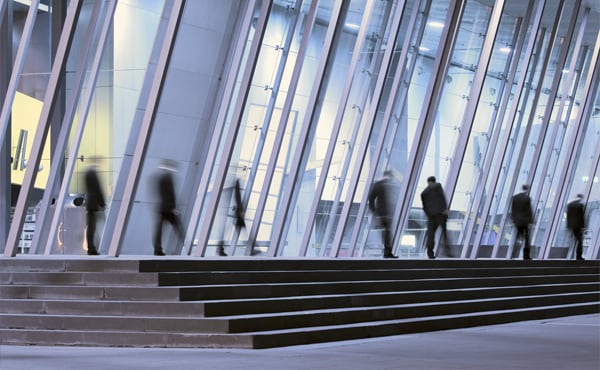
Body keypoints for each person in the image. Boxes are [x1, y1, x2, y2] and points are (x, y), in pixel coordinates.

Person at [153, 160, 185, 256]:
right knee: (179, 228)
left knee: (160, 230)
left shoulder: (162, 177)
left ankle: (157, 250)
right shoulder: (167, 178)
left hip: (164, 208)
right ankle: (188, 247)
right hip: (168, 209)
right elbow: (169, 194)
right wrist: (173, 208)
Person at [368, 170, 398, 258]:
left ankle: (387, 251)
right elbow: (371, 198)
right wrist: (373, 210)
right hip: (384, 213)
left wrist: (373, 210)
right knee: (387, 232)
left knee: (386, 232)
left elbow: (371, 198)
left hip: (383, 213)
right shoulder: (383, 184)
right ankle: (387, 252)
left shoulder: (379, 184)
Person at [421, 176, 452, 259]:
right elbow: (442, 198)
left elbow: (424, 206)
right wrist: (445, 209)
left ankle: (430, 253)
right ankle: (447, 251)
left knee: (431, 234)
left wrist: (428, 214)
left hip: (431, 215)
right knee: (444, 232)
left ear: (428, 182)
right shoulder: (438, 186)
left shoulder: (424, 192)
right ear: (434, 181)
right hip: (440, 213)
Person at [218, 178, 246, 257]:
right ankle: (251, 246)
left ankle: (221, 249)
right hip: (234, 213)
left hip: (234, 213)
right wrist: (240, 211)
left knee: (228, 230)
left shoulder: (230, 186)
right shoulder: (235, 185)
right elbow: (237, 198)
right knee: (229, 229)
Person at [84, 163, 105, 255]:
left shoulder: (88, 174)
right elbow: (98, 189)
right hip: (93, 205)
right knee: (92, 227)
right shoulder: (92, 174)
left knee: (91, 227)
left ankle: (91, 247)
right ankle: (91, 248)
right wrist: (102, 203)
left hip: (90, 204)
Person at [511, 184, 533, 260]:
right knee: (527, 238)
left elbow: (513, 210)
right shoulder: (527, 199)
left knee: (517, 237)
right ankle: (526, 255)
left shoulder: (515, 198)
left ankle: (513, 253)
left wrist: (514, 220)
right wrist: (530, 221)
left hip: (517, 221)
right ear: (527, 190)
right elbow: (529, 211)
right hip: (524, 221)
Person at [566, 194, 585, 260]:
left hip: (571, 225)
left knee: (574, 240)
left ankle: (570, 255)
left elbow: (568, 216)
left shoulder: (569, 205)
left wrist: (568, 225)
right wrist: (582, 226)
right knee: (580, 240)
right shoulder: (580, 205)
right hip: (577, 226)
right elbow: (581, 217)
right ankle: (578, 256)